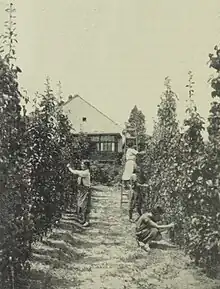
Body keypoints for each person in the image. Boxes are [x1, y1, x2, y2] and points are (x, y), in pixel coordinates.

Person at [67, 160, 91, 227]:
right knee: (81, 205)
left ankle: (87, 221)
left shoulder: (85, 173)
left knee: (85, 206)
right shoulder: (84, 172)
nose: (81, 165)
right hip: (82, 190)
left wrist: (69, 168)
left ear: (86, 166)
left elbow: (75, 172)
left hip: (85, 191)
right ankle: (83, 219)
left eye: (82, 164)